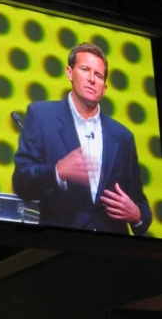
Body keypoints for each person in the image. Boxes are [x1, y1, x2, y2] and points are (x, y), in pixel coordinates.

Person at [12, 42, 152, 235]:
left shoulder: (123, 137)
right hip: (59, 247)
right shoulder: (42, 116)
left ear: (105, 88)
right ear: (69, 72)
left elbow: (140, 204)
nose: (92, 79)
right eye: (85, 69)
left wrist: (137, 215)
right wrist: (58, 171)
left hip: (112, 251)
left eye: (99, 75)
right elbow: (21, 182)